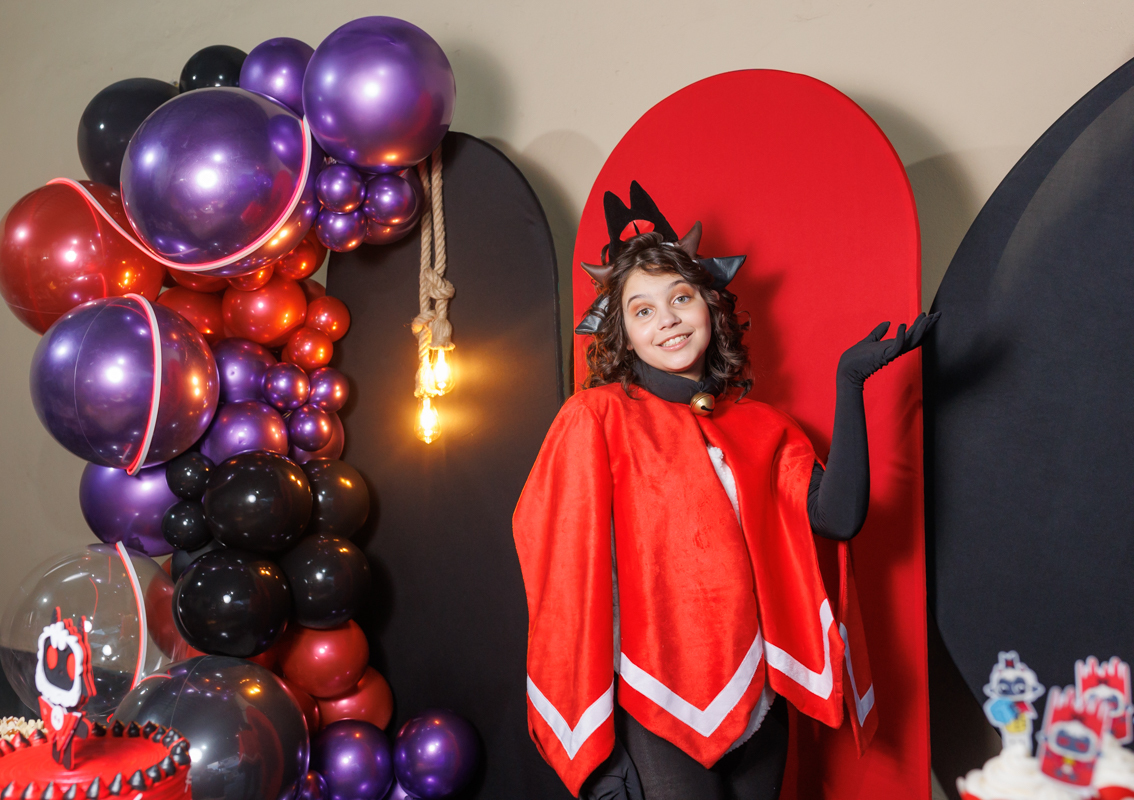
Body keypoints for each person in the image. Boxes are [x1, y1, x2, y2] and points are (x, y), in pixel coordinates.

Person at [513, 182, 936, 800]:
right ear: (621, 332)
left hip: (759, 692)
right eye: (643, 310)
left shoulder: (761, 427)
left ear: (709, 306)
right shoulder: (595, 417)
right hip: (653, 696)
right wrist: (598, 746)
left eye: (680, 298)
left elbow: (839, 518)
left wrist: (851, 383)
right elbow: (560, 569)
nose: (667, 320)